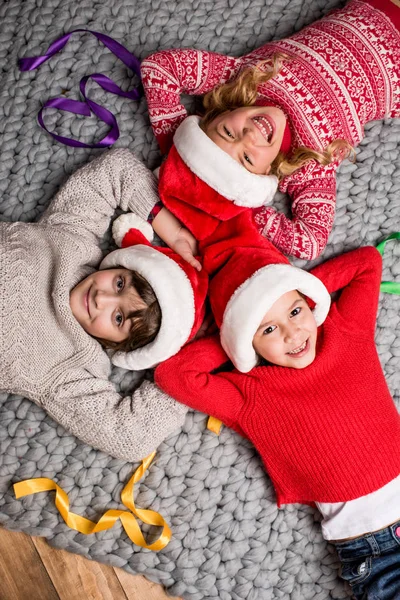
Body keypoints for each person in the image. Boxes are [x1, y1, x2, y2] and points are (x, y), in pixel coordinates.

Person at [155, 239, 400, 598]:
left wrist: (296, 290)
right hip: (373, 549)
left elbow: (367, 262)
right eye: (267, 330)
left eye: (295, 312)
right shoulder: (249, 394)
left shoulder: (346, 333)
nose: (291, 334)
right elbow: (173, 375)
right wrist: (233, 335)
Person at [141, 0, 400, 260]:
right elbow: (309, 243)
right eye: (247, 158)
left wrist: (178, 149)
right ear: (264, 175)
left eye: (228, 133)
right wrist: (250, 212)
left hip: (370, 8)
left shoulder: (240, 79)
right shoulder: (306, 168)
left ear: (221, 114)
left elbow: (158, 69)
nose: (249, 136)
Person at [0, 148, 209, 462]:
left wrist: (193, 359)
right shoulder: (73, 238)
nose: (101, 298)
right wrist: (172, 230)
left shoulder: (74, 370)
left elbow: (131, 438)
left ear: (122, 347)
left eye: (119, 317)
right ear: (124, 264)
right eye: (120, 283)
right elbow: (116, 169)